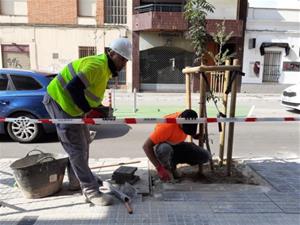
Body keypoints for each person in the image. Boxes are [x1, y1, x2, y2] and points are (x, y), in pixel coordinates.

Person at [43, 38, 132, 206]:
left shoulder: (104, 68)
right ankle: (90, 191)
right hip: (59, 103)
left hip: (71, 107)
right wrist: (87, 110)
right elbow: (73, 87)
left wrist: (99, 107)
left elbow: (88, 90)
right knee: (76, 148)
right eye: (121, 59)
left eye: (125, 60)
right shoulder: (97, 66)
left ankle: (77, 181)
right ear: (111, 53)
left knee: (84, 141)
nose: (123, 64)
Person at [143, 109, 210, 181]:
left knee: (205, 156)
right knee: (165, 149)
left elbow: (189, 130)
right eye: (184, 129)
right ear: (180, 121)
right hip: (162, 147)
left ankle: (172, 165)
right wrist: (159, 169)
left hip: (178, 145)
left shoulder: (189, 119)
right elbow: (146, 146)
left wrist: (196, 136)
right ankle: (166, 168)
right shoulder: (166, 126)